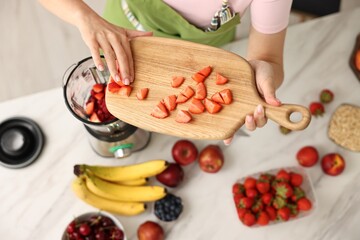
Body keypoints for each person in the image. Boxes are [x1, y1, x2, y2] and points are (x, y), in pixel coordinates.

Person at [38, 0, 293, 144]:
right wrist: (85, 17)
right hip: (123, 34)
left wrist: (261, 75)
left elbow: (267, 57)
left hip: (204, 60)